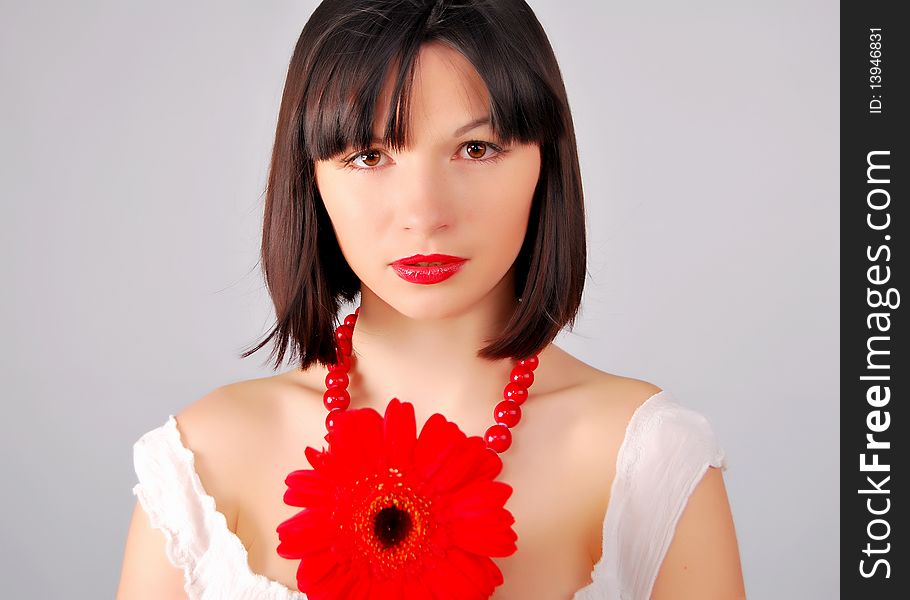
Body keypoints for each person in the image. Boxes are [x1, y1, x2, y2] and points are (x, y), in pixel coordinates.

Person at [117, 1, 745, 598]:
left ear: (545, 164)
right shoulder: (199, 460)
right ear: (309, 178)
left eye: (476, 149)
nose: (425, 214)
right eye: (368, 155)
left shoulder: (648, 457)